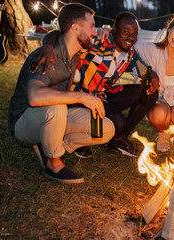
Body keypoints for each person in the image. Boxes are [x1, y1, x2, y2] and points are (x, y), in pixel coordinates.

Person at [8, 3, 115, 184]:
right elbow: (35, 97)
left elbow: (57, 33)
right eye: (91, 26)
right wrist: (81, 96)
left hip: (54, 114)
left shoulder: (75, 52)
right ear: (75, 28)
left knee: (106, 128)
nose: (94, 32)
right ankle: (53, 163)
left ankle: (51, 144)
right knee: (57, 107)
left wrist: (108, 32)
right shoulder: (46, 56)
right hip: (24, 120)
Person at [31, 12, 160, 157]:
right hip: (80, 98)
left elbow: (144, 70)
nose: (131, 37)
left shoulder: (130, 54)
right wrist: (47, 47)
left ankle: (118, 140)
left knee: (150, 92)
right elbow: (57, 34)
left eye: (135, 33)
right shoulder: (97, 41)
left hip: (102, 96)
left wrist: (153, 77)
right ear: (114, 29)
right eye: (125, 32)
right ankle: (79, 138)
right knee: (118, 122)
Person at [134, 13, 174, 152]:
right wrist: (107, 31)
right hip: (159, 100)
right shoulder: (152, 49)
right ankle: (163, 133)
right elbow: (129, 42)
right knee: (159, 113)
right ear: (169, 29)